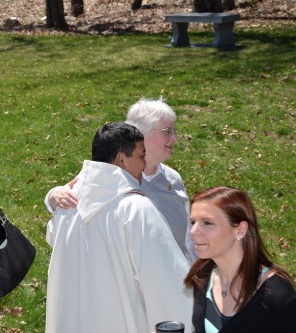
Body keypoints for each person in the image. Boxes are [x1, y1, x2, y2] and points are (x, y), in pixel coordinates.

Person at [45, 122, 194, 333]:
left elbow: (51, 237)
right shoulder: (136, 209)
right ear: (121, 160)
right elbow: (166, 281)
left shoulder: (66, 203)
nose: (144, 165)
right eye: (142, 156)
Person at [45, 97, 196, 262]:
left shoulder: (173, 178)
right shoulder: (108, 180)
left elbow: (189, 239)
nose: (174, 138)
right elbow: (70, 225)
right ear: (140, 133)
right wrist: (53, 197)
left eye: (174, 131)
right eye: (167, 131)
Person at [184, 186, 296, 332]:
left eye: (208, 223)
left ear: (240, 230)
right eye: (193, 222)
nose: (193, 231)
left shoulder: (277, 295)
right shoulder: (202, 276)